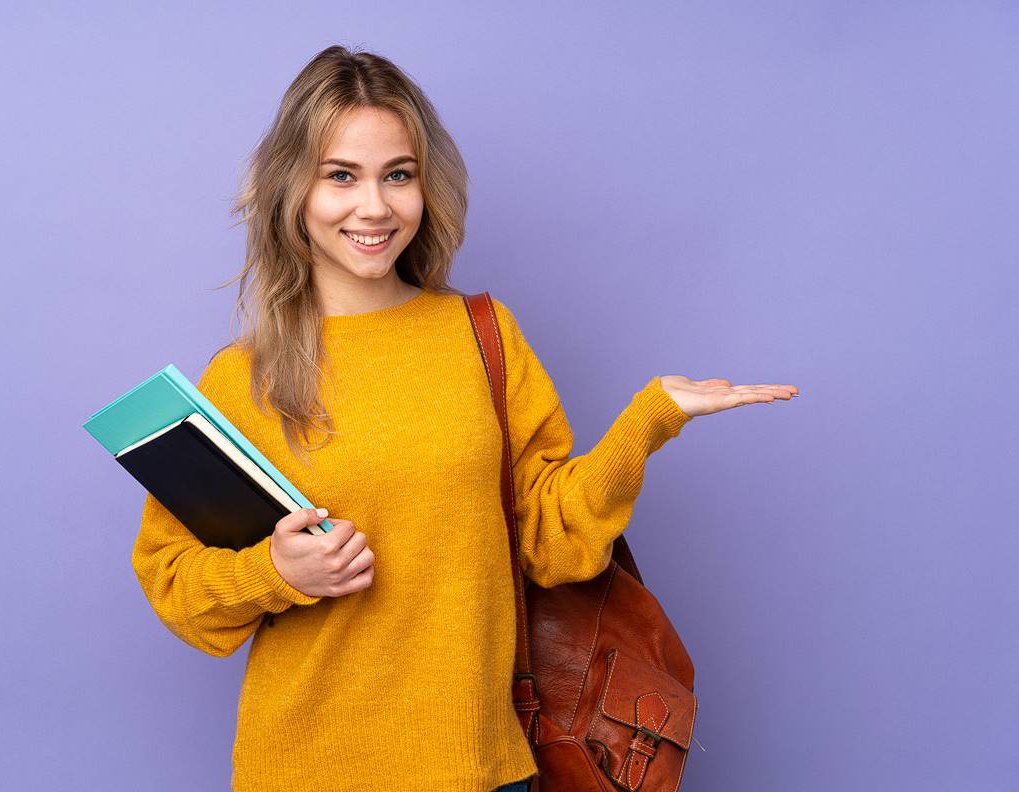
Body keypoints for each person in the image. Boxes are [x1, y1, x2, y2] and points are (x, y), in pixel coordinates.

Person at [130, 44, 798, 792]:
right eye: (341, 176)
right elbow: (177, 587)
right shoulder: (242, 376)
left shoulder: (481, 337)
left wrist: (652, 419)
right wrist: (276, 571)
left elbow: (555, 545)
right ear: (294, 188)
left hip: (479, 767)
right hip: (304, 767)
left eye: (399, 175)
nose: (375, 206)